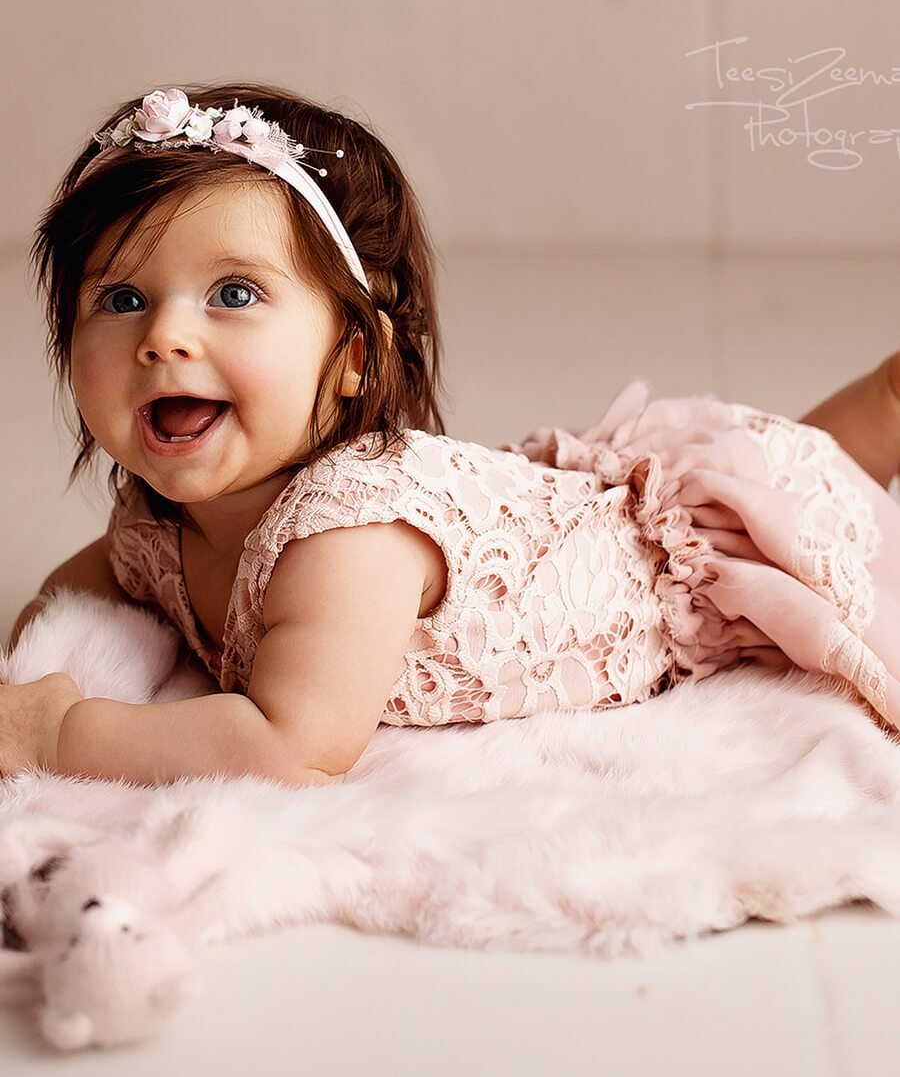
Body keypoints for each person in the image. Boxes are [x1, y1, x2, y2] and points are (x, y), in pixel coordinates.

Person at [6, 83, 900, 790]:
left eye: (233, 294)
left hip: (657, 561)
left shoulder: (347, 540)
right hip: (560, 512)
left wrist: (60, 733)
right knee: (801, 461)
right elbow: (60, 609)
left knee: (802, 490)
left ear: (354, 358)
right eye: (120, 299)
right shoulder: (155, 520)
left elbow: (292, 746)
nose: (162, 335)